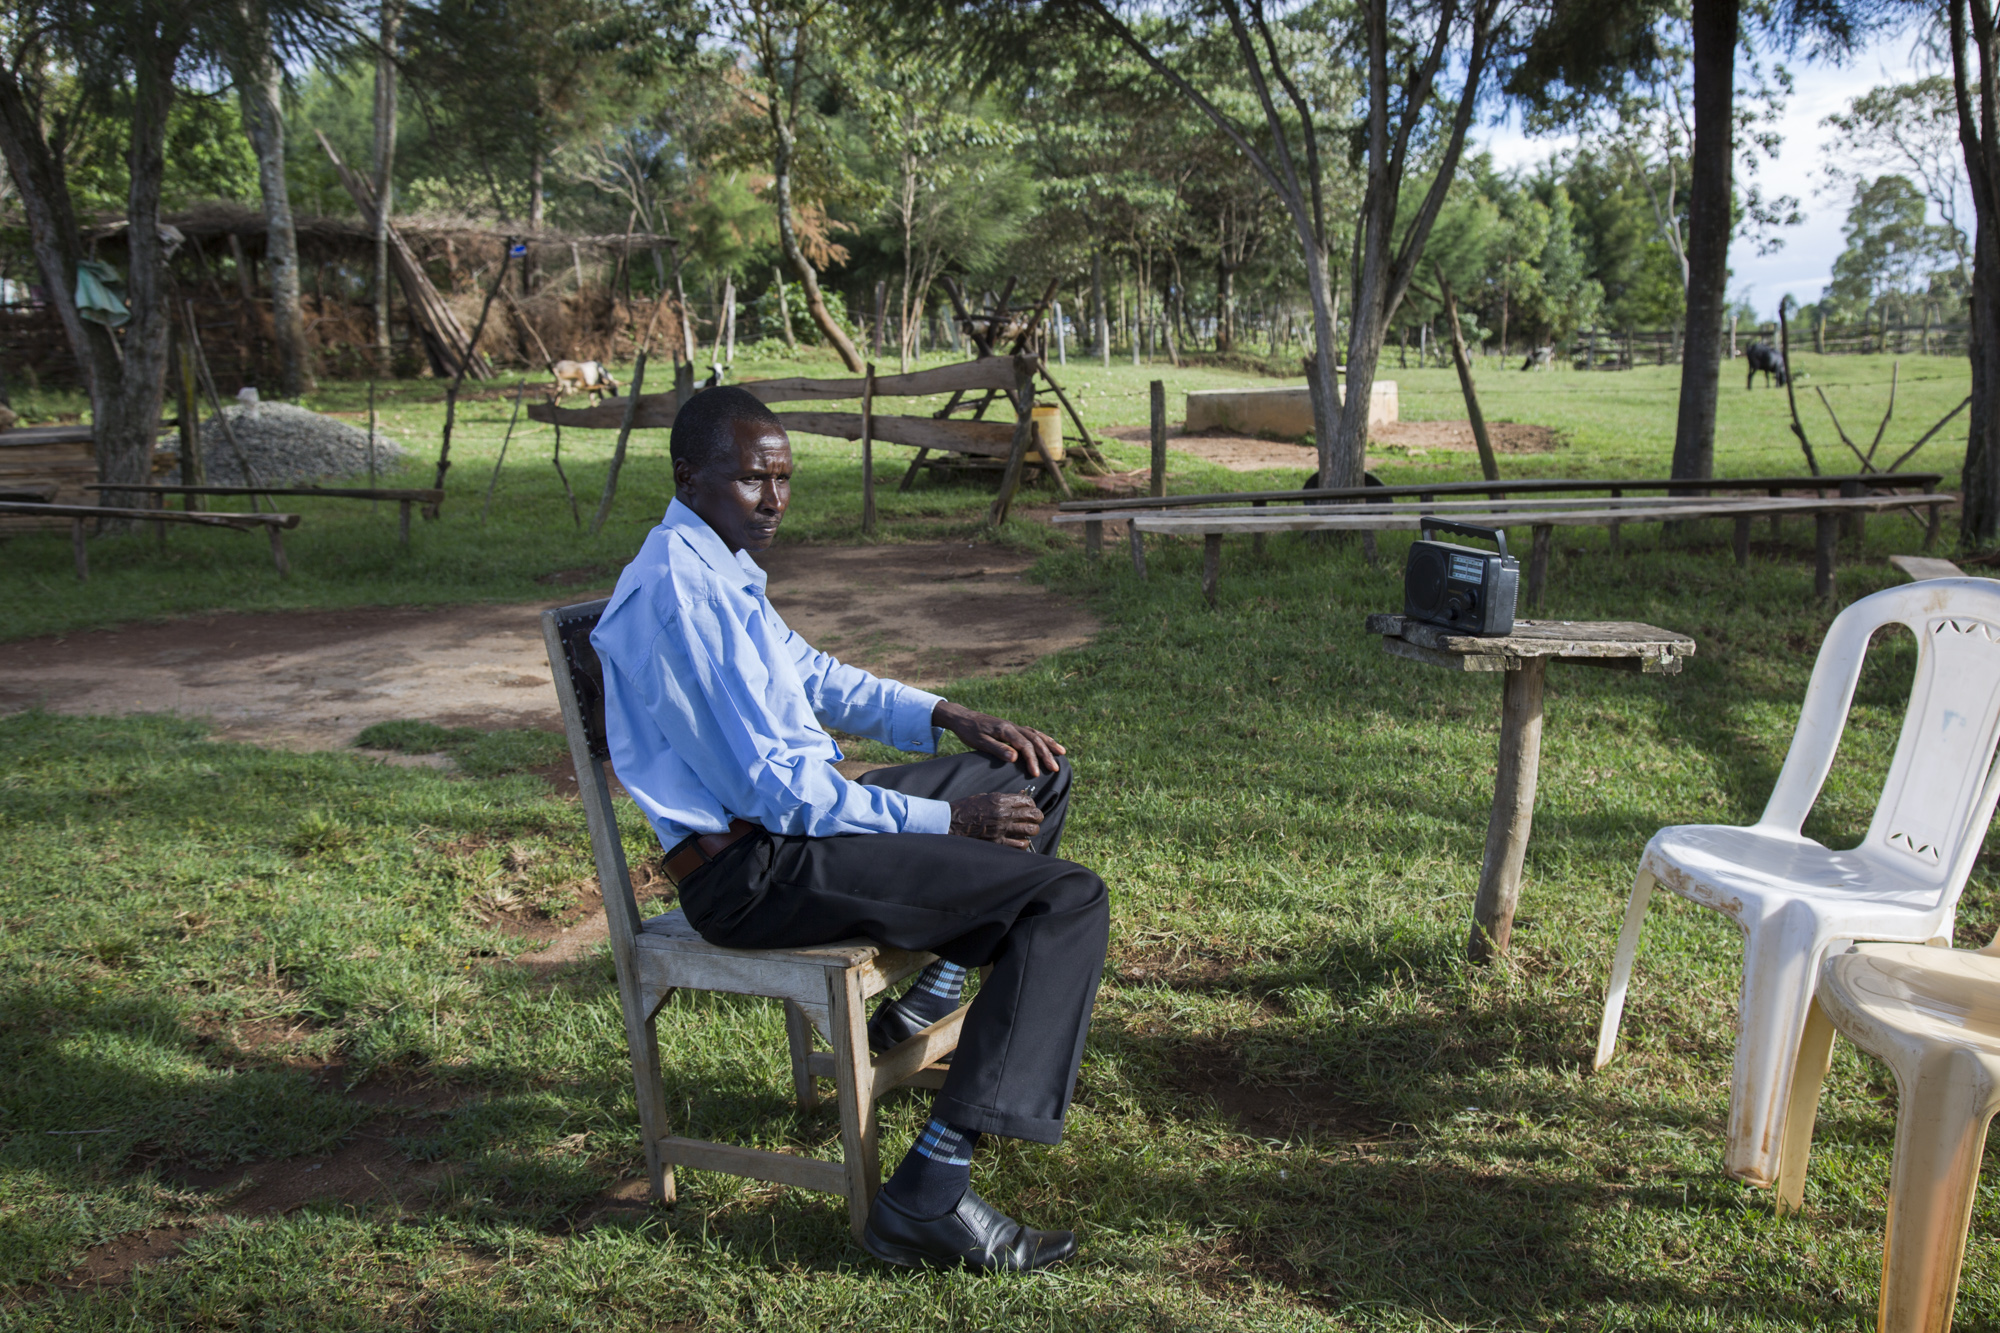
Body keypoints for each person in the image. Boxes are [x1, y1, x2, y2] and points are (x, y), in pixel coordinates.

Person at [590, 386, 1109, 1273]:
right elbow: (784, 796)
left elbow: (815, 674)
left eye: (784, 478)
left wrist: (948, 714)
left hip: (798, 833)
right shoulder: (680, 593)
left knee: (1035, 772)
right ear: (689, 477)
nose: (775, 500)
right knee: (1065, 901)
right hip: (755, 873)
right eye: (753, 480)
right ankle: (928, 1192)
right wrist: (951, 819)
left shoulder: (714, 563)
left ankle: (930, 996)